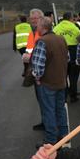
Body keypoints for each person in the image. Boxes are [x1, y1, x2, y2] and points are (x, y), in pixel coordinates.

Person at [31, 16, 69, 145]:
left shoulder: (42, 41)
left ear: (43, 27)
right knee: (60, 110)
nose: (36, 27)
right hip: (61, 81)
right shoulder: (61, 39)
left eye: (38, 26)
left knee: (49, 111)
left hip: (47, 83)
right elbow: (67, 58)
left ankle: (50, 140)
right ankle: (64, 135)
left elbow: (38, 66)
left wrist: (36, 78)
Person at [54, 12, 80, 103]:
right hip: (73, 52)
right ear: (70, 18)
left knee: (63, 76)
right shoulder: (75, 28)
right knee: (73, 76)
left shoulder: (56, 28)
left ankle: (64, 96)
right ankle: (73, 95)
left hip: (60, 52)